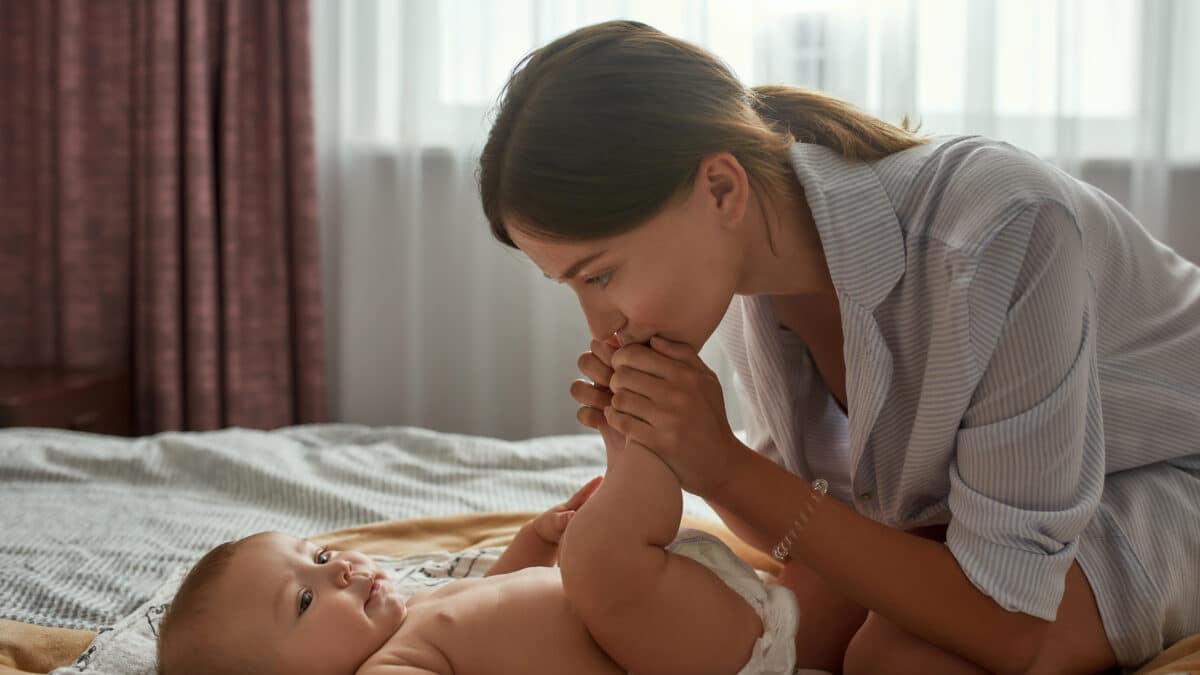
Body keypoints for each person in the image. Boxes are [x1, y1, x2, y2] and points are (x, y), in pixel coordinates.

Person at [477, 18, 1200, 675]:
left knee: (898, 659)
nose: (599, 327)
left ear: (721, 188)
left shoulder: (997, 230)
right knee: (791, 632)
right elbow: (807, 517)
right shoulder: (745, 279)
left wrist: (720, 463)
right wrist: (677, 451)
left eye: (600, 274)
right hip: (1009, 499)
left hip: (1173, 469)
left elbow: (1009, 621)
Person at [155, 430, 803, 675]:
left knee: (602, 548)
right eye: (303, 598)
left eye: (319, 556)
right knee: (608, 547)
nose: (341, 570)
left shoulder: (414, 615)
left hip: (696, 614)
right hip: (686, 652)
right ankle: (641, 445)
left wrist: (535, 542)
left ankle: (643, 455)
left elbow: (498, 590)